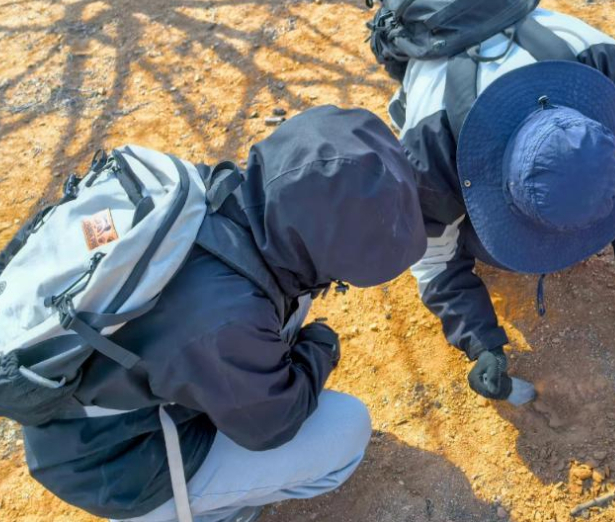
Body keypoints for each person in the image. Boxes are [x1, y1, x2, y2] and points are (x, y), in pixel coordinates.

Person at [17, 107, 427, 522]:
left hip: (82, 414)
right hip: (113, 463)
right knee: (345, 431)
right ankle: (200, 513)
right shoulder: (228, 318)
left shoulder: (218, 191)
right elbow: (271, 424)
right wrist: (321, 348)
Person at [392, 6, 615, 400]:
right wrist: (480, 342)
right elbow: (433, 255)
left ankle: (570, 202)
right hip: (452, 119)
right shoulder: (431, 147)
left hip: (563, 83)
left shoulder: (606, 64)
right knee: (490, 247)